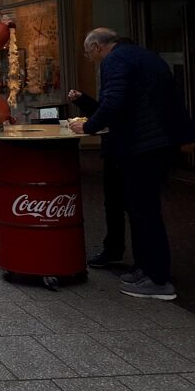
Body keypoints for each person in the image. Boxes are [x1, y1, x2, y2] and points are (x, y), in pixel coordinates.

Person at [70, 28, 195, 301]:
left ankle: (158, 279)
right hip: (161, 140)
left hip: (144, 145)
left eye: (89, 53)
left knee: (144, 211)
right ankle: (145, 268)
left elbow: (114, 101)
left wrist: (88, 126)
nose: (91, 59)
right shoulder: (144, 56)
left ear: (97, 47)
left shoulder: (115, 60)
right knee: (142, 209)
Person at [68, 87, 124, 269]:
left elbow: (112, 108)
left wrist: (88, 126)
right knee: (114, 204)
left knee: (131, 207)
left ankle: (148, 266)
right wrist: (83, 100)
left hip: (125, 147)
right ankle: (114, 250)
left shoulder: (118, 70)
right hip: (119, 147)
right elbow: (105, 109)